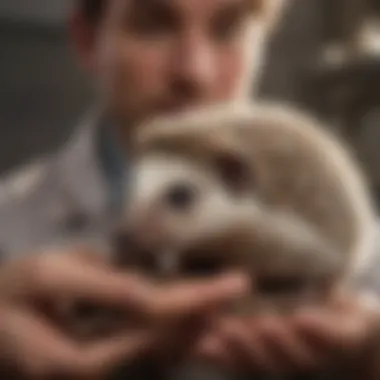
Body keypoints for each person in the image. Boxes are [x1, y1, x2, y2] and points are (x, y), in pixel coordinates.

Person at [0, 0, 380, 378]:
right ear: (87, 41)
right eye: (153, 26)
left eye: (229, 29)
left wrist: (369, 362)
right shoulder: (10, 223)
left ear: (264, 43)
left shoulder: (356, 245)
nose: (195, 72)